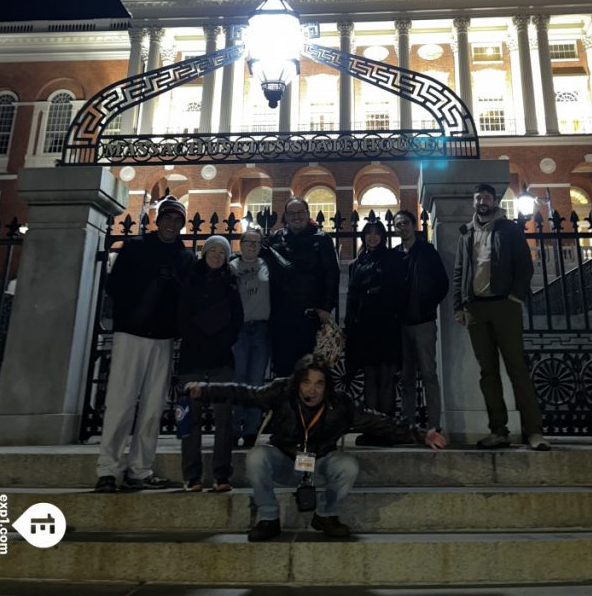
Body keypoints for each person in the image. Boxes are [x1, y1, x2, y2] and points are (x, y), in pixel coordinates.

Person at [186, 352, 446, 541]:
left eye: (319, 384)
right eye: (306, 382)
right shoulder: (281, 392)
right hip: (285, 460)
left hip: (319, 463)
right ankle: (268, 518)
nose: (312, 390)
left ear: (326, 386)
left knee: (348, 464)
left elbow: (379, 422)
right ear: (297, 382)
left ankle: (326, 514)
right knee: (256, 457)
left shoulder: (340, 404)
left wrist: (422, 434)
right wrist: (205, 390)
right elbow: (244, 393)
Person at [94, 195, 194, 492]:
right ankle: (108, 469)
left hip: (163, 338)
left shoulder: (185, 258)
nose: (171, 224)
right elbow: (114, 287)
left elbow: (187, 299)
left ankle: (140, 468)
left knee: (152, 407)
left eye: (177, 220)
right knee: (121, 403)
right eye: (168, 218)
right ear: (158, 219)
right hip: (132, 333)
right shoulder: (135, 248)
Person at [454, 183, 550, 451]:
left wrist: (515, 298)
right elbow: (459, 271)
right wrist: (458, 306)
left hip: (504, 307)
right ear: (474, 202)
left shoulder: (509, 230)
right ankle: (499, 431)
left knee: (517, 369)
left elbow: (524, 265)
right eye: (478, 198)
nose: (482, 201)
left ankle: (534, 432)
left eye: (486, 197)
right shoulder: (466, 233)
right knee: (488, 373)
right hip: (475, 309)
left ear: (495, 201)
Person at [177, 235, 243, 492]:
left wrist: (220, 341)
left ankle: (221, 474)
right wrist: (200, 337)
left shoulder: (231, 283)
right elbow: (181, 317)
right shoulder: (189, 280)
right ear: (204, 253)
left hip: (221, 357)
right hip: (192, 358)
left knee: (224, 418)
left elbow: (237, 319)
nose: (217, 256)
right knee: (189, 418)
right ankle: (192, 475)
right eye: (212, 250)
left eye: (222, 252)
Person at [344, 220, 405, 443]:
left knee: (386, 376)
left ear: (382, 236)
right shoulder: (358, 263)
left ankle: (386, 428)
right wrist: (349, 326)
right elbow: (351, 296)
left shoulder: (393, 259)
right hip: (365, 325)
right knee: (370, 376)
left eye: (376, 233)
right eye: (368, 233)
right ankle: (372, 428)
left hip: (387, 324)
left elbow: (399, 290)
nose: (372, 237)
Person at [265, 197, 340, 376]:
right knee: (283, 369)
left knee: (309, 371)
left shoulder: (322, 239)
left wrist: (326, 307)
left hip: (310, 315)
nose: (296, 217)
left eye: (300, 212)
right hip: (281, 315)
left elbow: (332, 274)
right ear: (285, 216)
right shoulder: (276, 238)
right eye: (291, 213)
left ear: (308, 214)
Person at [393, 210, 449, 433]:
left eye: (405, 223)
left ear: (413, 225)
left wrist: (428, 304)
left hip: (423, 321)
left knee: (428, 373)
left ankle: (434, 424)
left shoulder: (427, 251)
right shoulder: (396, 254)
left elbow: (442, 283)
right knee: (406, 375)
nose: (402, 228)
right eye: (398, 225)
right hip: (402, 323)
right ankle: (408, 421)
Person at [229, 228, 271, 447]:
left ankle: (253, 430)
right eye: (249, 242)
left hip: (261, 329)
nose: (253, 246)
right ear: (241, 244)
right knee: (238, 380)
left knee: (256, 382)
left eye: (257, 242)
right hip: (240, 329)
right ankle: (235, 429)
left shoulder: (267, 265)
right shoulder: (231, 267)